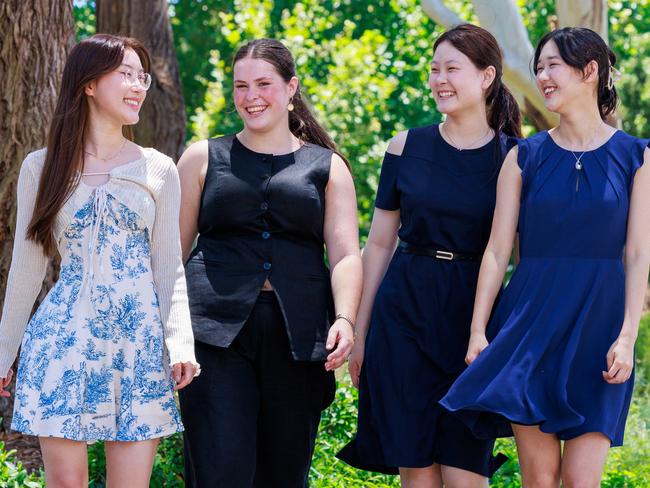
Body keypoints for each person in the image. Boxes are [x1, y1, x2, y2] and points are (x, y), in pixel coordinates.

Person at [440, 27, 650, 487]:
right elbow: (497, 251)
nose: (542, 76)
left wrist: (627, 335)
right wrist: (478, 331)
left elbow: (637, 253)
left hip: (600, 328)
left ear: (590, 71)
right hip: (530, 327)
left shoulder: (638, 156)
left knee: (581, 481)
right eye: (538, 68)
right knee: (540, 478)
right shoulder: (523, 157)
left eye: (553, 65)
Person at [0, 34, 199, 487]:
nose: (138, 86)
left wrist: (180, 344)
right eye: (125, 74)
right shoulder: (40, 166)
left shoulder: (158, 168)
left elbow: (168, 267)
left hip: (137, 346)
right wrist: (3, 354)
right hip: (61, 341)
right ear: (88, 84)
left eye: (141, 76)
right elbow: (27, 270)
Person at [337, 24, 521, 488]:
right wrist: (360, 330)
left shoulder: (516, 157)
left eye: (452, 68)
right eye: (434, 69)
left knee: (466, 474)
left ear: (486, 77)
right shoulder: (405, 146)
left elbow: (519, 252)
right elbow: (379, 244)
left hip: (474, 323)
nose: (439, 79)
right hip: (404, 317)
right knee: (416, 473)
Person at [176, 38, 362, 487]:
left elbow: (344, 253)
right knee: (221, 471)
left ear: (291, 87)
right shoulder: (202, 157)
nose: (251, 96)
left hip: (299, 335)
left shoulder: (329, 166)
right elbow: (171, 256)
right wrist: (170, 333)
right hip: (213, 336)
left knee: (284, 474)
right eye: (241, 86)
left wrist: (345, 318)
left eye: (264, 83)